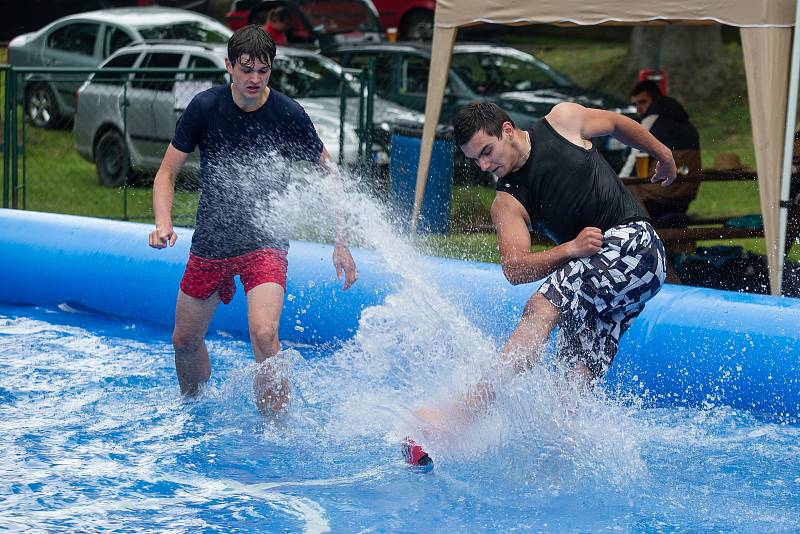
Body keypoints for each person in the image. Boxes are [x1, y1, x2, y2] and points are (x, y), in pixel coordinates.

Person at [410, 101, 677, 450]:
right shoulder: (506, 202)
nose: (486, 165)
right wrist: (569, 249)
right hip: (604, 274)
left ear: (507, 130)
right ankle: (566, 462)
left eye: (487, 152)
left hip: (635, 245)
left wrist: (663, 153)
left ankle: (465, 411)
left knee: (541, 307)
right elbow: (515, 269)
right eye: (476, 161)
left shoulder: (561, 122)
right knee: (569, 382)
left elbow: (614, 124)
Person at [148, 25, 358, 414]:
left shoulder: (287, 113)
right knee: (184, 341)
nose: (255, 79)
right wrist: (164, 222)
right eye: (246, 69)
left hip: (266, 242)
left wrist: (340, 242)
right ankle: (194, 412)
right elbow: (166, 173)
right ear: (229, 66)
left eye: (263, 71)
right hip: (212, 242)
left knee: (264, 334)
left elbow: (330, 174)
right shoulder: (205, 108)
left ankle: (275, 431)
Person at [626, 80, 701, 224]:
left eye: (642, 102)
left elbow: (634, 157)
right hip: (685, 195)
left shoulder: (651, 119)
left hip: (661, 195)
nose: (639, 109)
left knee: (625, 191)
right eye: (635, 105)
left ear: (655, 100)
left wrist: (619, 181)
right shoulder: (681, 120)